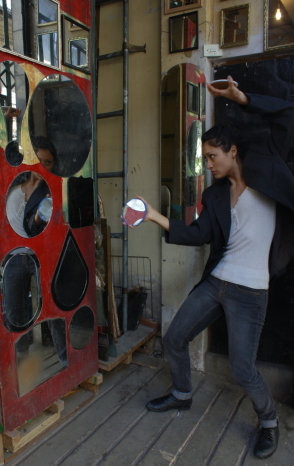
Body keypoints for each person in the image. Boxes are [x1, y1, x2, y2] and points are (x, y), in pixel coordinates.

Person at [142, 77, 294, 460]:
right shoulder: (214, 196)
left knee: (243, 369)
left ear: (233, 151)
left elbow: (288, 116)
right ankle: (181, 393)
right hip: (218, 283)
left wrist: (241, 96)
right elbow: (197, 235)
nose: (208, 165)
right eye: (205, 158)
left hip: (251, 292)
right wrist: (154, 216)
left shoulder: (268, 169)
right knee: (175, 337)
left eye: (212, 156)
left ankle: (270, 421)